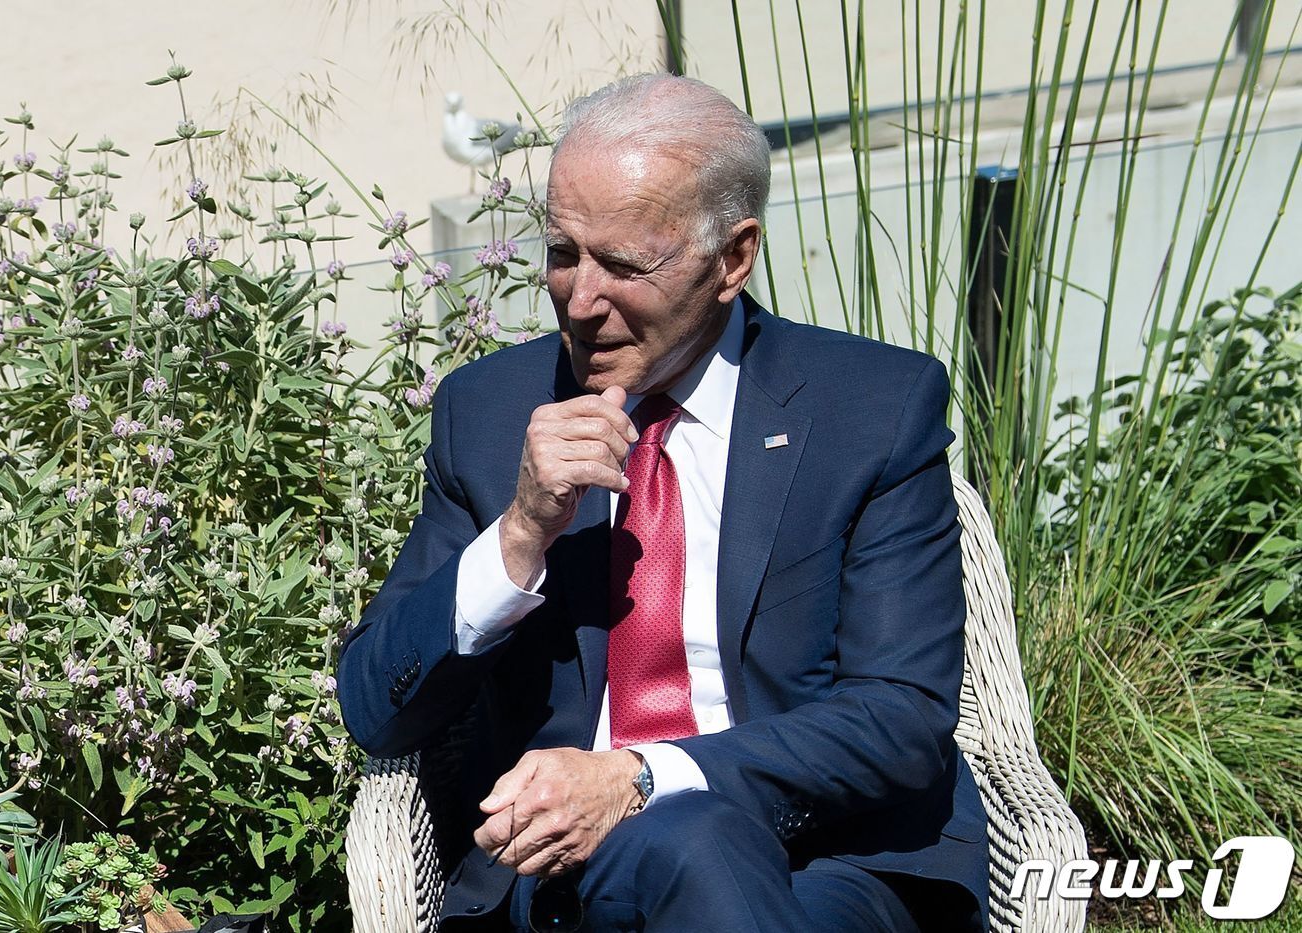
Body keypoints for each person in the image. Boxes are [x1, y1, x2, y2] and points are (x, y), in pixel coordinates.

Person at [338, 73, 989, 932]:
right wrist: (522, 531)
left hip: (833, 863)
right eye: (564, 252)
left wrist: (641, 775)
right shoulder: (492, 412)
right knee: (689, 847)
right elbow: (378, 708)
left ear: (733, 257)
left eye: (624, 264)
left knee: (695, 838)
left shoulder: (870, 409)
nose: (580, 300)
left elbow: (900, 717)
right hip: (569, 888)